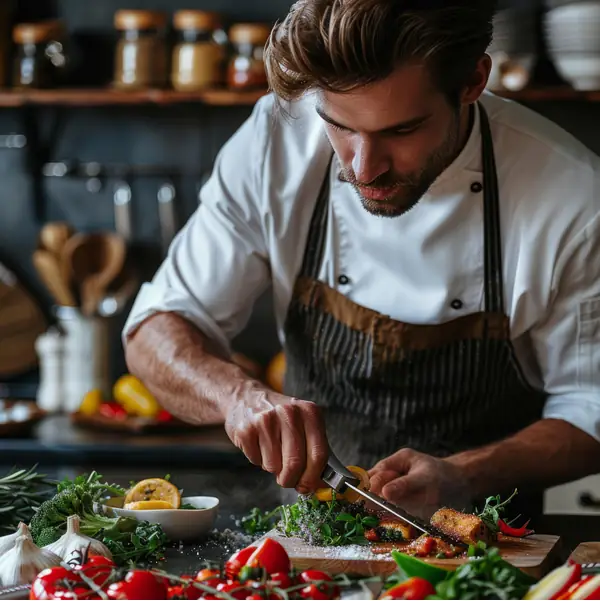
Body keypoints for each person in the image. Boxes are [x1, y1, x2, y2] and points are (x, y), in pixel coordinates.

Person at [123, 0, 600, 520]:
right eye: (340, 127)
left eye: (401, 131)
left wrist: (467, 472)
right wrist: (237, 397)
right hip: (306, 549)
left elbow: (591, 406)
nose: (365, 169)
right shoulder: (274, 143)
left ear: (472, 81)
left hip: (485, 555)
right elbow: (154, 330)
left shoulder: (572, 196)